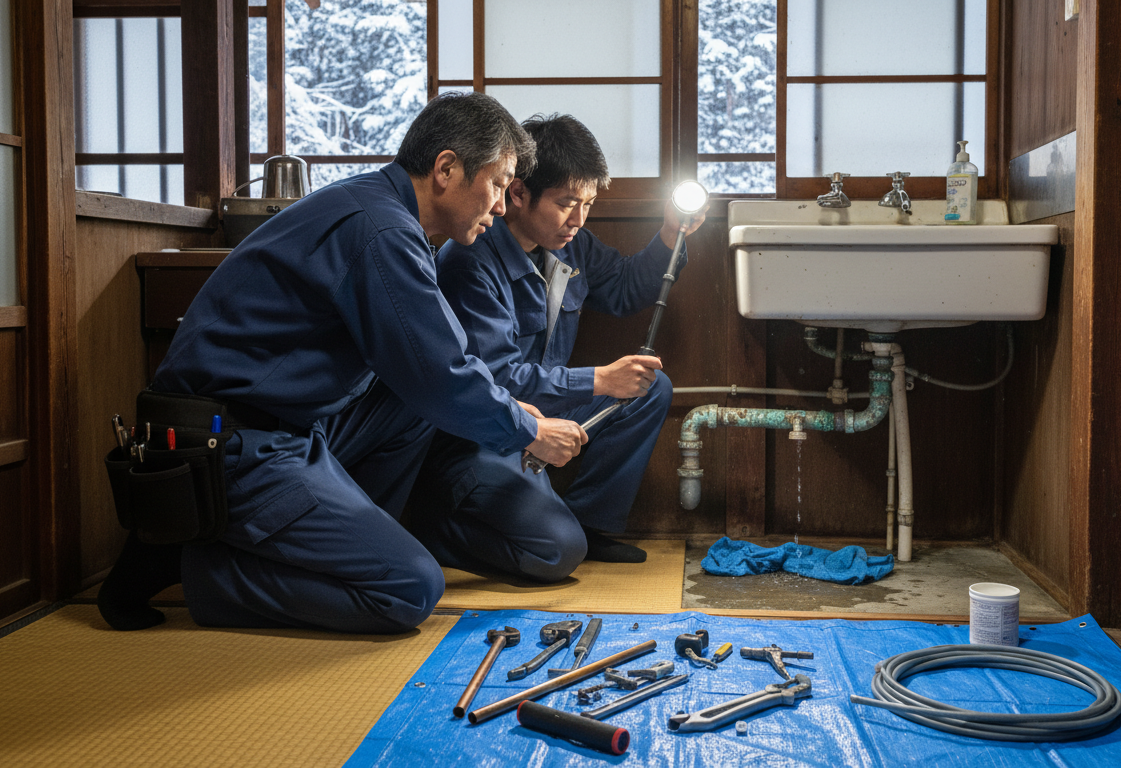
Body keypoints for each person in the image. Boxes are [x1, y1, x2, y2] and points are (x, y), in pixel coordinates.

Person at [96, 93, 587, 634]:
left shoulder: (383, 212)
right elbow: (441, 373)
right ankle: (195, 566)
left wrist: (509, 410)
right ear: (446, 168)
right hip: (234, 445)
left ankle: (344, 541)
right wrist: (527, 430)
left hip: (284, 425)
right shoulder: (382, 230)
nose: (501, 205)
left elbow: (434, 367)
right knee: (409, 589)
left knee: (408, 402)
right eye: (497, 184)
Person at [406, 114, 705, 580]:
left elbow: (625, 288)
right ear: (518, 192)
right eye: (567, 203)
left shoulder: (572, 244)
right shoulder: (470, 260)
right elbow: (497, 379)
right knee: (555, 552)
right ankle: (427, 527)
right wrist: (600, 379)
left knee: (649, 387)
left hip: (544, 408)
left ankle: (588, 521)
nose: (579, 219)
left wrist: (670, 234)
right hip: (483, 433)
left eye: (586, 203)